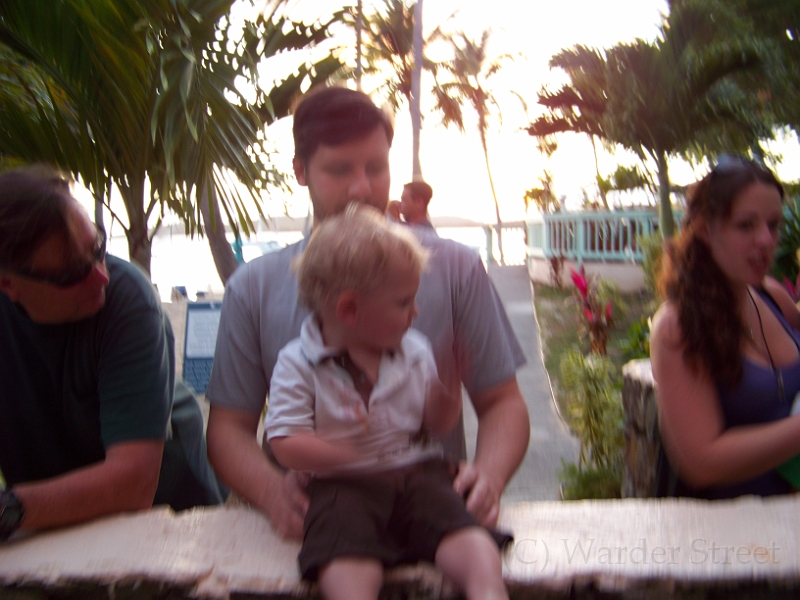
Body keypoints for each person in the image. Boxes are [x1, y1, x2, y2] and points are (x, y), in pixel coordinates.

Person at [206, 85, 530, 539]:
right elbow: (228, 429)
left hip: (430, 517)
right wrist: (271, 492)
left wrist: (488, 478)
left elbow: (503, 403)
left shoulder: (456, 269)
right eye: (340, 170)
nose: (363, 188)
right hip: (319, 529)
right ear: (300, 171)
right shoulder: (252, 289)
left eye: (376, 168)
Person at [266, 205, 508, 599]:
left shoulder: (414, 350)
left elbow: (435, 423)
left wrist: (448, 387)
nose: (415, 312)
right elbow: (284, 440)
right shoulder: (298, 363)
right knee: (342, 549)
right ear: (350, 309)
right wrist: (340, 454)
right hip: (343, 484)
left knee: (463, 531)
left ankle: (487, 589)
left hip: (416, 473)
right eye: (403, 302)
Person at [0, 167, 223, 542]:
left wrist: (10, 509)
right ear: (7, 284)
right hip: (45, 527)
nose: (101, 276)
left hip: (169, 515)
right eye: (71, 274)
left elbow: (133, 483)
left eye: (98, 248)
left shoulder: (128, 301)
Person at [651, 155, 800, 499]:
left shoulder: (772, 296)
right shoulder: (678, 327)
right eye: (746, 226)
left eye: (773, 225)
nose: (766, 240)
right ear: (705, 230)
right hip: (729, 529)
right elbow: (703, 463)